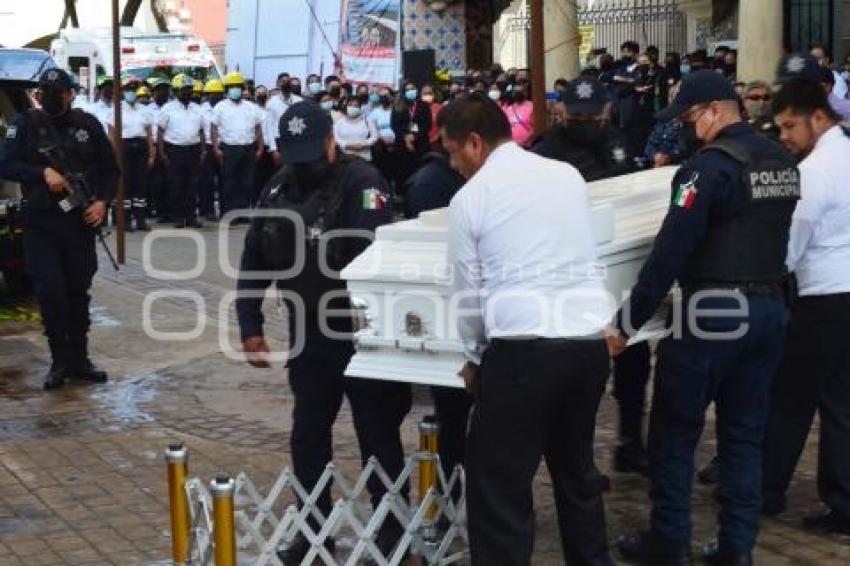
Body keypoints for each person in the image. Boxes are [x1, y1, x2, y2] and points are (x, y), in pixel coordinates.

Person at [608, 70, 800, 565]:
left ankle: (669, 542)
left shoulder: (705, 169)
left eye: (690, 119)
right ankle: (738, 549)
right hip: (770, 308)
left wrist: (626, 322)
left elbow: (669, 253)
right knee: (743, 434)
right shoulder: (781, 158)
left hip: (713, 312)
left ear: (715, 111)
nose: (688, 130)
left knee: (675, 430)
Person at [236, 101, 410, 564]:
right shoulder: (278, 187)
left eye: (313, 153)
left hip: (361, 329)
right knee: (308, 435)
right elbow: (255, 257)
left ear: (332, 142)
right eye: (295, 155)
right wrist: (249, 325)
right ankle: (314, 532)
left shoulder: (365, 184)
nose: (305, 164)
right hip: (309, 330)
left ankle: (394, 529)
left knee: (377, 433)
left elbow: (368, 255)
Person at [443, 94, 614, 566]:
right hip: (585, 348)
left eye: (452, 152)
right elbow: (585, 252)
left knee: (498, 486)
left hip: (523, 355)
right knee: (577, 474)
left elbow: (466, 292)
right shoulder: (566, 176)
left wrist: (476, 359)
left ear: (474, 143)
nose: (453, 164)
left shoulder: (471, 199)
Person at [531, 78, 650, 475]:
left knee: (633, 362)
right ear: (561, 111)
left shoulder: (615, 139)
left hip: (618, 264)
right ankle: (579, 462)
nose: (585, 120)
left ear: (604, 111)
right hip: (572, 273)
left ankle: (630, 440)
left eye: (591, 114)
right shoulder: (545, 149)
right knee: (583, 375)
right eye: (576, 114)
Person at [761, 78, 850, 534]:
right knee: (840, 403)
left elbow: (792, 245)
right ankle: (843, 502)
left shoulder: (814, 172)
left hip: (823, 298)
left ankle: (767, 489)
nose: (785, 137)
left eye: (790, 126)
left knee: (790, 398)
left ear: (819, 117)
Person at [0, 68, 118, 389]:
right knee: (50, 293)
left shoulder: (87, 124)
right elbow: (6, 164)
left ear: (70, 94)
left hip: (79, 222)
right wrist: (42, 174)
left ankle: (80, 360)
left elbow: (111, 170)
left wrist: (102, 202)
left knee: (77, 291)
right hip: (40, 223)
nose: (51, 98)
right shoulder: (26, 124)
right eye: (45, 93)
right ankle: (59, 361)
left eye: (57, 93)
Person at [212, 71, 263, 218]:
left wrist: (259, 148)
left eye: (238, 86)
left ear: (242, 88)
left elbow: (258, 128)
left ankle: (243, 213)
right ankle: (228, 214)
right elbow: (214, 129)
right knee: (229, 183)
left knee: (247, 183)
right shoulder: (220, 107)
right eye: (231, 86)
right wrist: (216, 148)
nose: (235, 89)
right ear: (227, 89)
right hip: (229, 149)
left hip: (248, 149)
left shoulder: (252, 107)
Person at [157, 74, 205, 228]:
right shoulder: (167, 109)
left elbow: (202, 132)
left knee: (193, 185)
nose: (187, 92)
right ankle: (178, 217)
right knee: (176, 185)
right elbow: (160, 132)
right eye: (184, 90)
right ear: (176, 91)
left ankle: (191, 216)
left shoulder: (197, 109)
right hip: (174, 151)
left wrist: (203, 151)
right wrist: (162, 152)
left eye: (189, 89)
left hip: (193, 150)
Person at [107, 77, 154, 231]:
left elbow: (148, 133)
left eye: (134, 90)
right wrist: (115, 154)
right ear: (123, 92)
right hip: (124, 147)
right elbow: (112, 134)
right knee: (124, 184)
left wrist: (151, 153)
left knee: (140, 184)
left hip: (140, 148)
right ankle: (125, 220)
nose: (131, 93)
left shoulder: (144, 109)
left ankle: (140, 219)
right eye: (128, 90)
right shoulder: (117, 109)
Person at [390, 81, 431, 193]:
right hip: (402, 145)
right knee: (402, 171)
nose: (410, 91)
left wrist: (415, 136)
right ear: (403, 92)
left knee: (419, 170)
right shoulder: (397, 106)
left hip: (420, 144)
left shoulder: (423, 105)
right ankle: (402, 196)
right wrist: (406, 137)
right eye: (407, 90)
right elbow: (394, 125)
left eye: (412, 89)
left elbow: (427, 125)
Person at [147, 77, 172, 222]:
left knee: (171, 181)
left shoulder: (173, 108)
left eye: (166, 90)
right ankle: (159, 210)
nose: (163, 92)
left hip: (169, 147)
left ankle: (171, 211)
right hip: (154, 146)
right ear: (154, 92)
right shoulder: (148, 110)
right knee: (156, 182)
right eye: (160, 90)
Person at [199, 78, 224, 221]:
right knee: (206, 181)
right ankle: (206, 210)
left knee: (225, 180)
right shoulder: (202, 110)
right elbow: (200, 130)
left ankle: (225, 209)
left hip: (223, 146)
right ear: (208, 95)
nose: (216, 96)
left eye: (219, 93)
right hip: (208, 147)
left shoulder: (226, 107)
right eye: (213, 93)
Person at [267, 74, 303, 165]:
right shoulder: (271, 103)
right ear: (278, 84)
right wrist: (274, 149)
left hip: (296, 140)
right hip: (280, 141)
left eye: (288, 81)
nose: (286, 83)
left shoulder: (299, 101)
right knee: (282, 174)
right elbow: (269, 128)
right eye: (283, 81)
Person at [333, 96, 377, 161]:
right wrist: (347, 145)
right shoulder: (339, 123)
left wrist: (365, 143)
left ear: (360, 108)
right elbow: (335, 138)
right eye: (350, 105)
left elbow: (375, 136)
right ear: (346, 107)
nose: (353, 107)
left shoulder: (367, 121)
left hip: (365, 157)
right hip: (346, 157)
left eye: (356, 106)